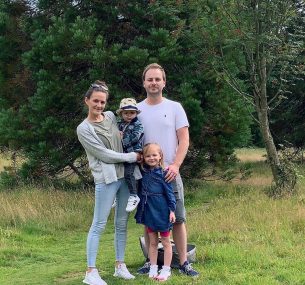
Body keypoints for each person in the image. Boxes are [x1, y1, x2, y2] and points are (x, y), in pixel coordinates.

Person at [137, 63, 199, 277]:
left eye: (157, 79)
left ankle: (183, 262)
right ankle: (150, 261)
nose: (153, 83)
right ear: (144, 82)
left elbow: (184, 139)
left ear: (164, 82)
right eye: (150, 79)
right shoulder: (137, 110)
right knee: (148, 219)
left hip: (170, 173)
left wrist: (175, 165)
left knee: (178, 219)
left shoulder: (175, 107)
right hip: (146, 176)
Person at [77, 81, 141, 285]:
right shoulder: (84, 129)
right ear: (87, 101)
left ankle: (120, 265)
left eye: (102, 102)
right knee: (99, 223)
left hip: (124, 177)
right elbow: (103, 154)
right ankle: (90, 272)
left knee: (121, 223)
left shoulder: (112, 116)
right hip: (106, 179)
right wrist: (131, 157)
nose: (99, 105)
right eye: (95, 101)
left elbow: (125, 132)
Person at [135, 143, 176, 282]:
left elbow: (170, 194)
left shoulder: (164, 174)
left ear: (160, 157)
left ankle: (166, 269)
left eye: (154, 155)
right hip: (148, 211)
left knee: (165, 241)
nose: (151, 158)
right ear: (143, 158)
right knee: (152, 242)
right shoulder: (142, 172)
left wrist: (172, 210)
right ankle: (153, 267)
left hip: (162, 211)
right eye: (148, 156)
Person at [116, 98, 144, 212]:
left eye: (132, 113)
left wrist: (122, 138)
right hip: (121, 154)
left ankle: (134, 195)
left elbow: (135, 138)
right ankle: (115, 196)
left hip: (133, 153)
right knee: (117, 175)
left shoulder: (138, 124)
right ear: (121, 114)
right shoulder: (119, 124)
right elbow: (114, 135)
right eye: (126, 113)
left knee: (129, 174)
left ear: (136, 113)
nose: (129, 115)